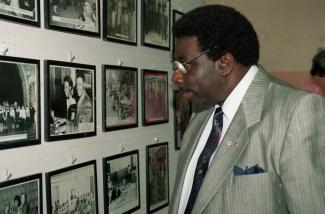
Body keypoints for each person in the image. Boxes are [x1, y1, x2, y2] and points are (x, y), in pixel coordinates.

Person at [169, 5, 325, 214]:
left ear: (224, 63)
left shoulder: (296, 111)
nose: (176, 78)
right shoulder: (202, 112)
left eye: (184, 66)